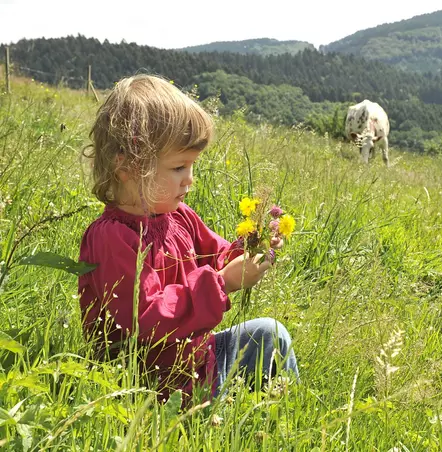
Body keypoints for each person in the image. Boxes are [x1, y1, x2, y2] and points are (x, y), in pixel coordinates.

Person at [78, 74, 298, 401]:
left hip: (197, 363)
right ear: (127, 168)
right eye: (179, 167)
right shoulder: (112, 238)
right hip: (151, 387)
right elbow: (145, 321)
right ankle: (210, 417)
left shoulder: (178, 216)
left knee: (271, 334)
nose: (189, 180)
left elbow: (217, 254)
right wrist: (222, 283)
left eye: (192, 166)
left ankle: (283, 421)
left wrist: (251, 248)